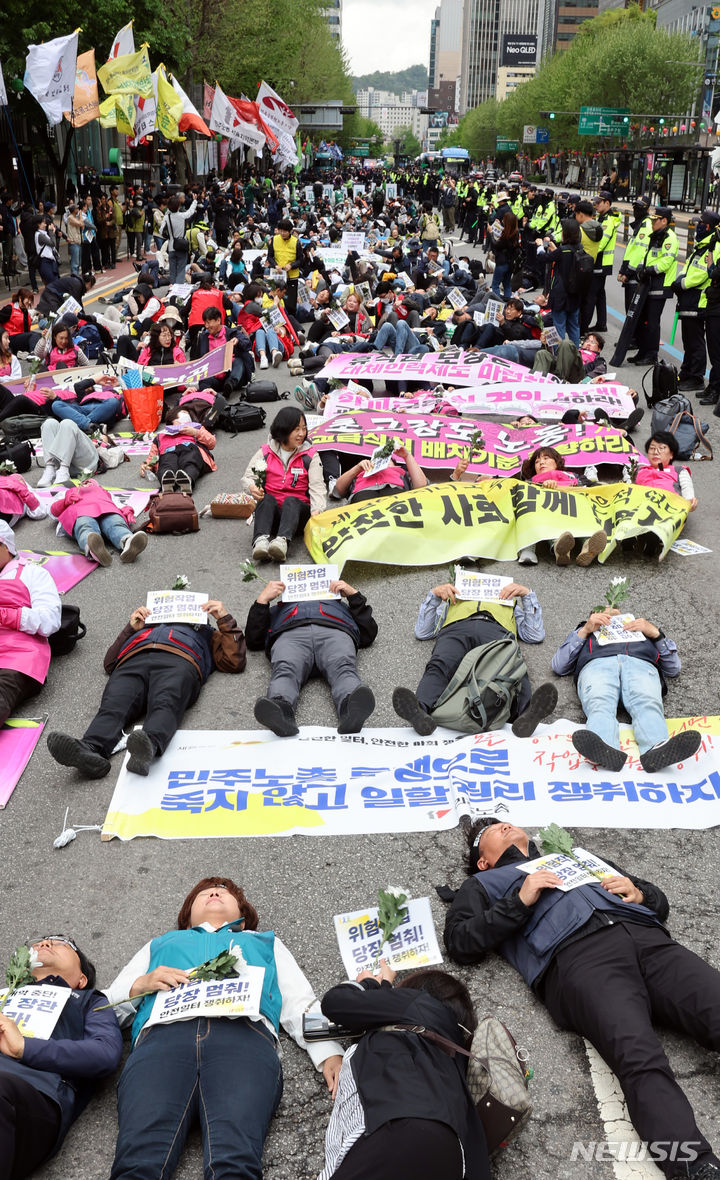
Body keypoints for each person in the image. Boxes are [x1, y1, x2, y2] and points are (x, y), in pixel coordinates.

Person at [445, 817, 720, 1180]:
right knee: (638, 1056)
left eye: (507, 823)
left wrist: (642, 894)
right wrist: (520, 899)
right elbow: (460, 941)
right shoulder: (483, 882)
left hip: (649, 942)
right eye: (493, 831)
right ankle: (695, 1167)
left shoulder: (574, 856)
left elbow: (656, 900)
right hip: (581, 959)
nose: (506, 827)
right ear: (483, 860)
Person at [101, 877, 343, 1179]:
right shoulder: (161, 944)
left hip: (243, 1042)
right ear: (187, 914)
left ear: (242, 911)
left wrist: (328, 1049)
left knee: (235, 1164)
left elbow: (300, 1000)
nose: (214, 892)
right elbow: (104, 1008)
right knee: (137, 1162)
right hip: (162, 1042)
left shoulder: (263, 942)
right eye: (204, 892)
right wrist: (140, 985)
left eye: (225, 893)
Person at [317, 964, 491, 1180]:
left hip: (400, 1128)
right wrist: (386, 990)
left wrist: (368, 983)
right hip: (452, 1154)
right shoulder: (452, 1055)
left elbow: (335, 1003)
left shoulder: (418, 1002)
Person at [46, 598, 245, 778]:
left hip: (179, 661)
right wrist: (130, 628)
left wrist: (224, 619)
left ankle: (148, 744)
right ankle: (90, 750)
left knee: (166, 701)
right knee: (113, 706)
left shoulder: (207, 632)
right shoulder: (145, 627)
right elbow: (109, 663)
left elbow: (233, 662)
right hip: (132, 662)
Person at [0, 934, 123, 1180]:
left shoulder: (88, 1001)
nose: (44, 943)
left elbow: (105, 1053)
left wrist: (24, 1047)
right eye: (38, 941)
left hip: (31, 1094)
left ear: (81, 979)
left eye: (60, 943)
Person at [551, 598, 702, 773]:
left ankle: (657, 748)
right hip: (598, 665)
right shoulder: (585, 632)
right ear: (592, 616)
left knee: (647, 702)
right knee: (599, 702)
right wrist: (585, 630)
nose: (610, 613)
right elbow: (559, 666)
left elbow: (673, 668)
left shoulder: (642, 630)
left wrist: (656, 634)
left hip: (641, 665)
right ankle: (603, 746)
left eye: (615, 611)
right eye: (603, 612)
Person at [391, 580, 557, 738]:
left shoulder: (510, 603)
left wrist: (526, 594)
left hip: (495, 629)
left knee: (512, 667)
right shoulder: (451, 600)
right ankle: (420, 711)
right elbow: (423, 632)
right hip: (456, 630)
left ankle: (527, 716)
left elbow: (534, 635)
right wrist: (434, 595)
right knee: (440, 664)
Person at [247, 576, 377, 736]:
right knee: (286, 670)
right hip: (292, 634)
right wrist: (262, 600)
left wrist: (353, 595)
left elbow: (369, 633)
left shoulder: (341, 605)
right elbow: (253, 640)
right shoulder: (277, 609)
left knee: (342, 667)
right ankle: (280, 711)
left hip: (333, 630)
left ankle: (351, 709)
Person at [243, 406, 326, 564]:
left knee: (291, 500)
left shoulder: (310, 455)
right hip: (272, 515)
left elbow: (318, 487)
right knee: (266, 499)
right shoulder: (266, 452)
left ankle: (282, 542)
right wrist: (252, 487)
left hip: (297, 516)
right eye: (296, 429)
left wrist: (317, 511)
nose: (301, 434)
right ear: (283, 430)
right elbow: (248, 477)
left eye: (304, 429)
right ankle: (260, 541)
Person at [0, 520, 61, 726]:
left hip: (17, 657)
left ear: (6, 547)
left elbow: (50, 620)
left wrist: (6, 616)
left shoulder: (33, 573)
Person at [517, 447, 608, 567]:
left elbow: (595, 487)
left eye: (546, 458)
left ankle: (587, 548)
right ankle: (559, 549)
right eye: (537, 461)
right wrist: (543, 487)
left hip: (575, 511)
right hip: (548, 516)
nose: (541, 463)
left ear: (556, 462)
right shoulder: (529, 482)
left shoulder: (574, 477)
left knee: (583, 509)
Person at [50, 480, 148, 566]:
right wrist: (63, 502)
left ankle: (127, 541)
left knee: (115, 522)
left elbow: (118, 504)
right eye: (84, 482)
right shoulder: (67, 493)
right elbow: (51, 512)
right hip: (81, 512)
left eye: (90, 482)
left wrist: (127, 509)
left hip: (106, 510)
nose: (87, 483)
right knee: (85, 525)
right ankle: (92, 548)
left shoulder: (105, 492)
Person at [628, 206, 679, 365]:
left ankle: (651, 354)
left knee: (652, 322)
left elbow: (666, 262)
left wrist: (649, 270)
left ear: (664, 221)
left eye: (655, 220)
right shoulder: (656, 235)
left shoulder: (670, 237)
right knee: (643, 319)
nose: (652, 222)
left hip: (660, 285)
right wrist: (640, 268)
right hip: (649, 283)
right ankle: (642, 352)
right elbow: (647, 255)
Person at [140, 406, 217, 495]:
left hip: (189, 448)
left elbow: (212, 442)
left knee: (190, 458)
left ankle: (187, 479)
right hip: (168, 452)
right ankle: (167, 482)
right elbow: (153, 456)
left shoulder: (197, 429)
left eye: (187, 417)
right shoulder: (160, 436)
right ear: (172, 420)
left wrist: (196, 432)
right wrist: (147, 465)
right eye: (182, 417)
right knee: (166, 462)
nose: (185, 420)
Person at [266, 218, 303, 315]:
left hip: (292, 276)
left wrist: (291, 265)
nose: (282, 233)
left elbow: (301, 260)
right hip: (278, 276)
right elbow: (269, 256)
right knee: (276, 299)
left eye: (285, 231)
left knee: (290, 302)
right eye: (280, 230)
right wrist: (275, 265)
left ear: (290, 231)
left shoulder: (296, 242)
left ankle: (291, 322)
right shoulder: (274, 239)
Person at [159, 193, 198, 284]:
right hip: (182, 246)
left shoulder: (166, 217)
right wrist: (195, 200)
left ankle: (172, 287)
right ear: (178, 206)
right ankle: (178, 289)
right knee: (181, 269)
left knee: (173, 270)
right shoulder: (182, 216)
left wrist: (169, 236)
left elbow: (161, 231)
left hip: (171, 247)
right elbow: (191, 211)